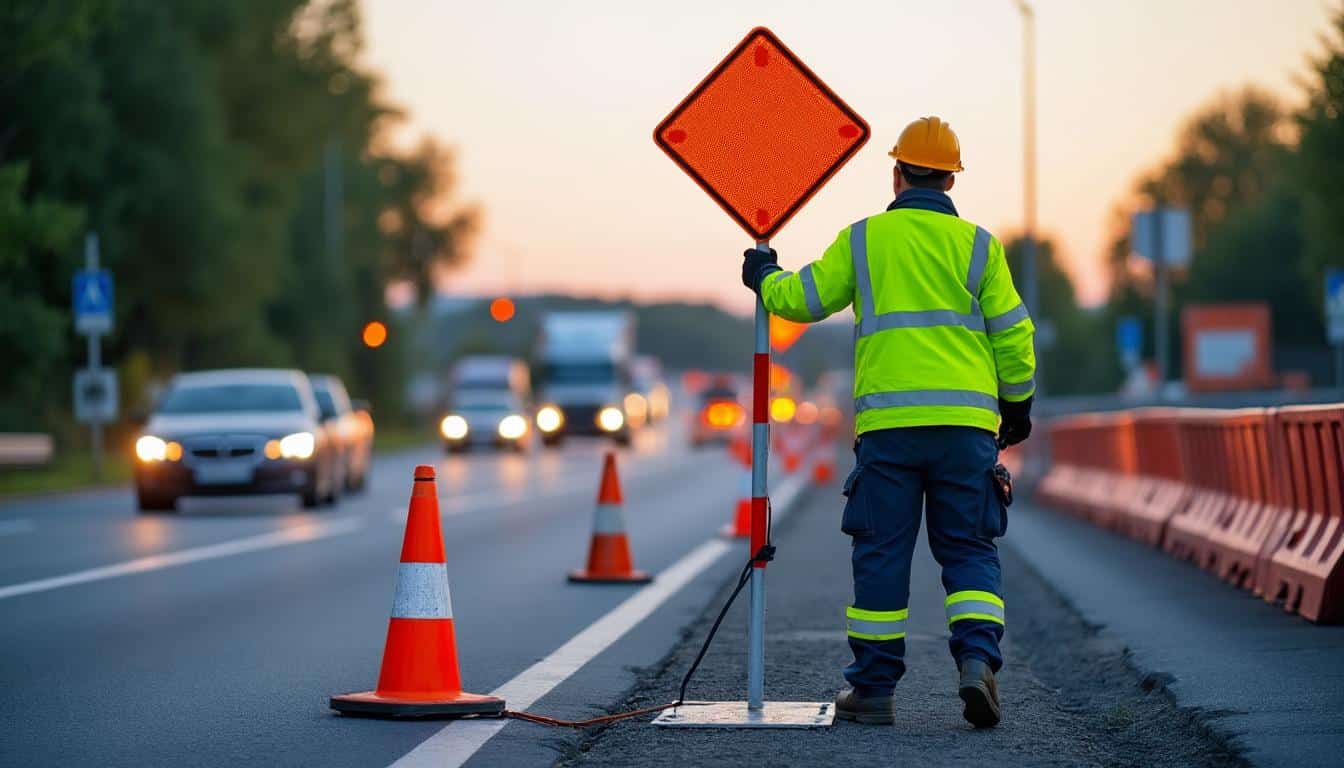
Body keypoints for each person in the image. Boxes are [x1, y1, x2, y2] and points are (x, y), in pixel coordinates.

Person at [740, 116, 1035, 728]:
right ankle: (977, 662)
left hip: (889, 432)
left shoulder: (865, 239)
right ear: (950, 179)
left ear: (897, 174)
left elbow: (804, 299)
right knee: (969, 550)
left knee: (881, 554)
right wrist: (1018, 406)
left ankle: (873, 691)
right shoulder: (979, 246)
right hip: (965, 431)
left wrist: (765, 278)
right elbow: (1013, 335)